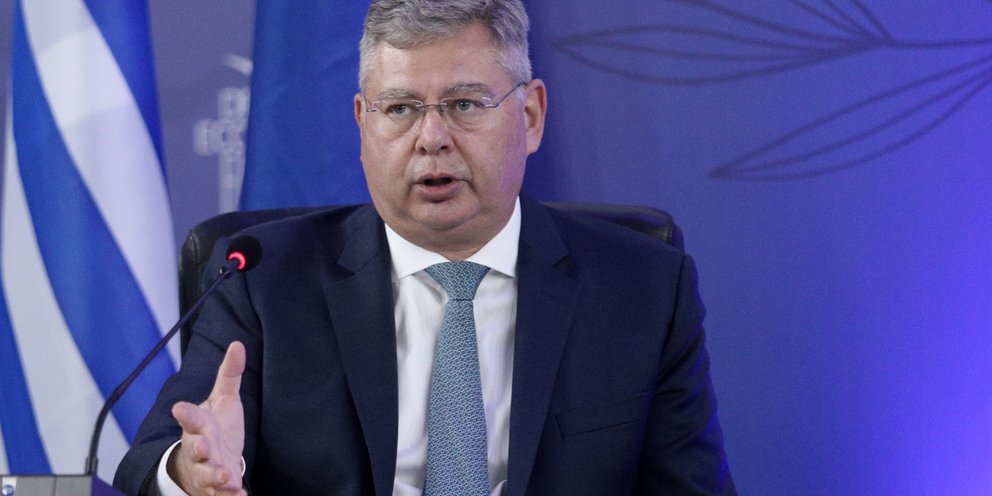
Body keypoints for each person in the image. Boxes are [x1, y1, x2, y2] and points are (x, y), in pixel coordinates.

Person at [115, 0, 735, 494]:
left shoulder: (643, 289)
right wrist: (190, 471)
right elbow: (151, 459)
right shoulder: (260, 279)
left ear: (531, 115)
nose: (431, 137)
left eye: (464, 104)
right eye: (401, 108)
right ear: (362, 123)